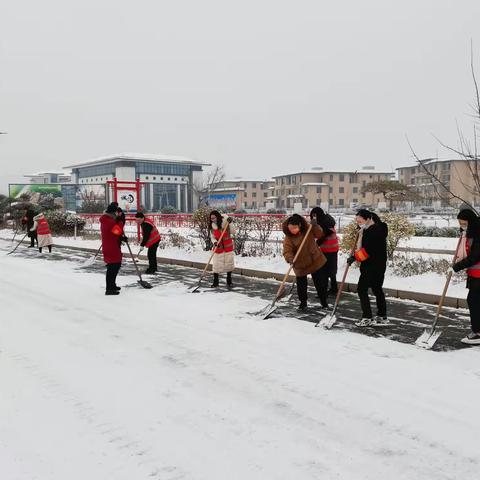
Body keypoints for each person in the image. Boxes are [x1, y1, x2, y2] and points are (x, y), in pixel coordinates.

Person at [347, 209, 388, 326]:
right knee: (377, 289)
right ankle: (382, 316)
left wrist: (354, 257)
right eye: (358, 222)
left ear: (369, 219)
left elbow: (367, 250)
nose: (359, 224)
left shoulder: (371, 232)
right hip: (380, 265)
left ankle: (367, 317)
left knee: (362, 289)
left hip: (370, 265)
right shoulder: (378, 229)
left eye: (360, 222)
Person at [282, 214, 328, 310]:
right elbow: (287, 251)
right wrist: (290, 258)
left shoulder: (308, 228)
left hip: (314, 259)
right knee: (301, 285)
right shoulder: (289, 237)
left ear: (299, 225)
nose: (292, 230)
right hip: (299, 263)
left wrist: (315, 226)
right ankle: (303, 303)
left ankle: (324, 301)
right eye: (290, 228)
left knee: (319, 283)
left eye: (294, 228)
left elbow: (319, 235)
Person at [451, 209, 480, 345]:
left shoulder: (478, 233)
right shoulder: (472, 232)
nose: (462, 226)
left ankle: (478, 333)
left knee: (474, 301)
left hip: (479, 275)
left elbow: (475, 257)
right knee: (474, 301)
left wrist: (456, 267)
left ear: (470, 221)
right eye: (460, 224)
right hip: (475, 274)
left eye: (464, 223)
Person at [310, 207, 339, 296]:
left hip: (327, 249)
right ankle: (334, 289)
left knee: (324, 271)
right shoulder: (328, 220)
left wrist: (317, 243)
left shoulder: (324, 222)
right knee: (331, 270)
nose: (313, 218)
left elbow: (325, 234)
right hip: (333, 248)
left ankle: (323, 292)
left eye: (313, 216)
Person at [100, 203, 124, 295]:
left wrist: (121, 238)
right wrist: (120, 222)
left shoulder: (107, 220)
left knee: (115, 266)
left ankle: (112, 285)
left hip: (111, 245)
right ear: (113, 212)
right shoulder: (109, 221)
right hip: (111, 247)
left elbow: (113, 233)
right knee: (112, 268)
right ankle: (109, 289)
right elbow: (117, 231)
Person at [208, 210, 235, 288]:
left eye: (214, 218)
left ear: (218, 217)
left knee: (229, 264)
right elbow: (212, 237)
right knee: (216, 265)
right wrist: (215, 242)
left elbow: (234, 231)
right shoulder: (212, 226)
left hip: (228, 247)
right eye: (211, 219)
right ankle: (215, 282)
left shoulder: (226, 223)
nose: (213, 220)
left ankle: (229, 281)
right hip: (218, 248)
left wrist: (231, 223)